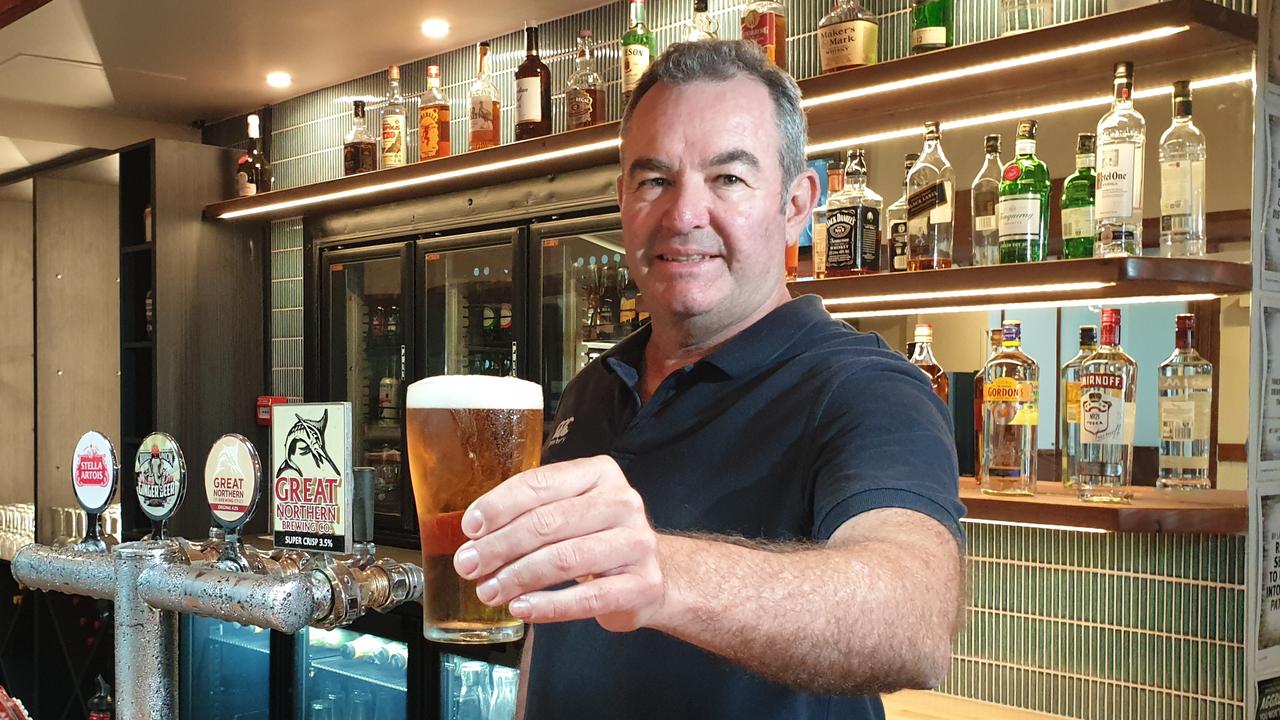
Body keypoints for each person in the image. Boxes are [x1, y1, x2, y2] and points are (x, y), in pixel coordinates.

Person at [449, 40, 965, 718]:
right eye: (654, 179)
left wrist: (661, 575)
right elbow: (554, 634)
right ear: (623, 200)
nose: (683, 215)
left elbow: (913, 617)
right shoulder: (593, 387)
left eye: (727, 178)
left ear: (796, 203)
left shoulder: (864, 386)